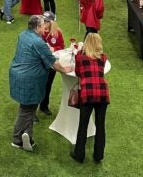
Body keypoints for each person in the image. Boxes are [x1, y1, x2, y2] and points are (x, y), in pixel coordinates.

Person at [9, 15, 72, 152]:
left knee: (28, 108)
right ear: (37, 27)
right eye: (43, 25)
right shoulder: (39, 43)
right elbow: (53, 63)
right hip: (29, 80)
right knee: (27, 110)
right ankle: (16, 139)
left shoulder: (23, 35)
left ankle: (27, 137)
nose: (45, 27)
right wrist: (65, 68)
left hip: (18, 76)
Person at [71, 33, 110, 164]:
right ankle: (99, 155)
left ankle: (79, 154)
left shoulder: (80, 58)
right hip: (102, 93)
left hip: (87, 93)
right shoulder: (103, 58)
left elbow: (77, 73)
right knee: (100, 126)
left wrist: (80, 50)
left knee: (83, 125)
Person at [38, 11, 64, 116]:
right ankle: (32, 111)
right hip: (39, 63)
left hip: (51, 63)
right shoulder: (39, 31)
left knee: (48, 85)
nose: (44, 22)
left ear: (52, 22)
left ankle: (44, 106)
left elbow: (62, 46)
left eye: (47, 21)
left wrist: (54, 48)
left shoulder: (57, 33)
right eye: (43, 20)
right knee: (37, 85)